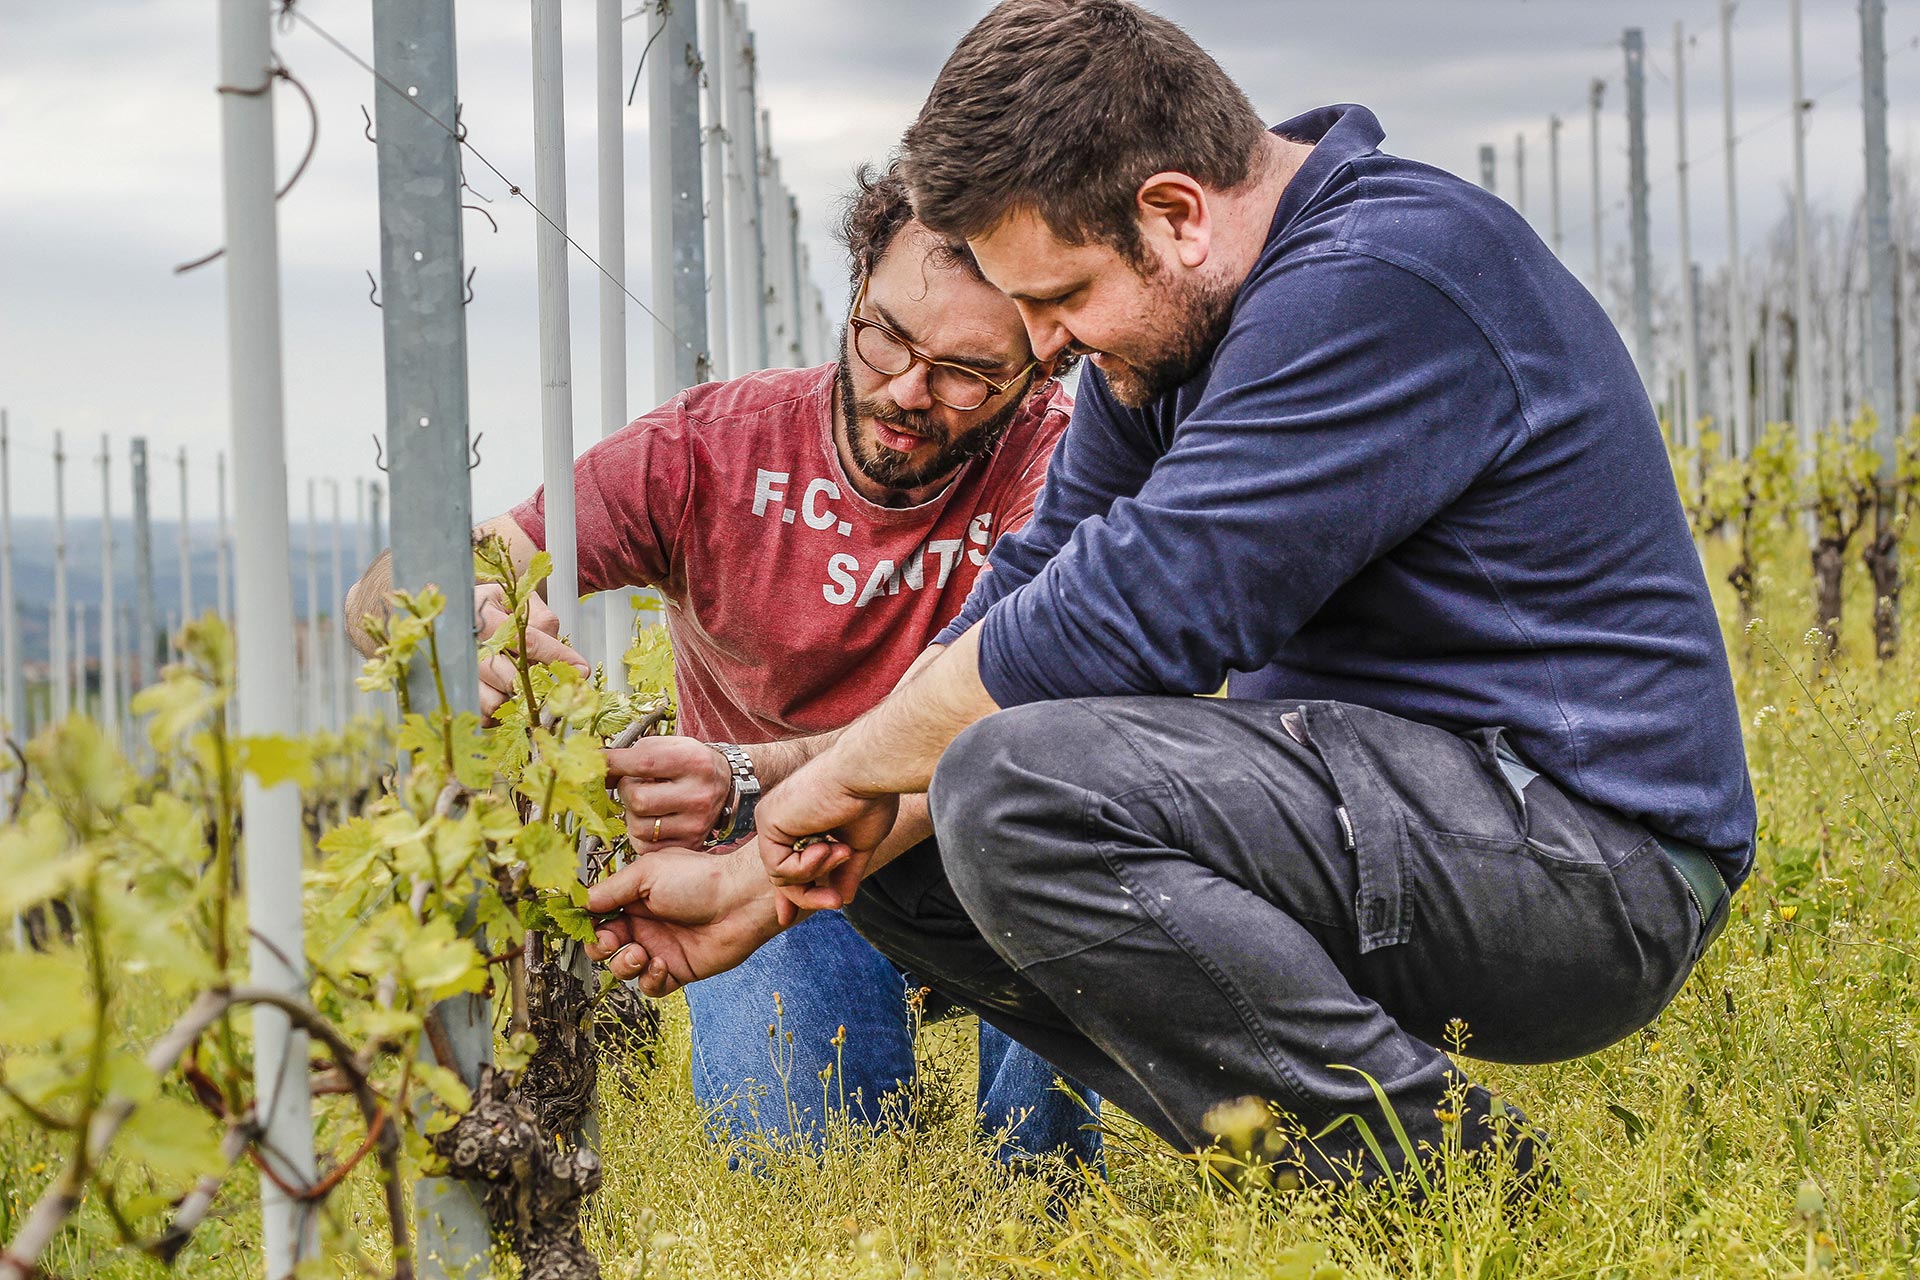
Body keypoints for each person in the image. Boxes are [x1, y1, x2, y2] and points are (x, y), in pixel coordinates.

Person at [580, 0, 1756, 1190]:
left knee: (1003, 783)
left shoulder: (1384, 276)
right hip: (1390, 821)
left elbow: (1133, 614)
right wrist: (760, 877)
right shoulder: (1159, 348)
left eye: (1061, 296)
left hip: (1593, 860)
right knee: (907, 845)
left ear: (1177, 214)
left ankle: (1459, 1190)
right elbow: (1023, 598)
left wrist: (817, 789)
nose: (1044, 346)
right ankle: (1315, 1162)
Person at [348, 164, 1100, 1170]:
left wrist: (752, 776)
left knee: (1045, 1155)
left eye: (966, 372)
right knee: (798, 1173)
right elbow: (409, 580)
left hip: (979, 839)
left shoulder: (1065, 466)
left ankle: (1040, 1194)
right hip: (768, 856)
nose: (906, 392)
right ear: (856, 290)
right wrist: (457, 619)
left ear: (1039, 366)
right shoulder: (713, 449)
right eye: (886, 337)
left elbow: (1024, 707)